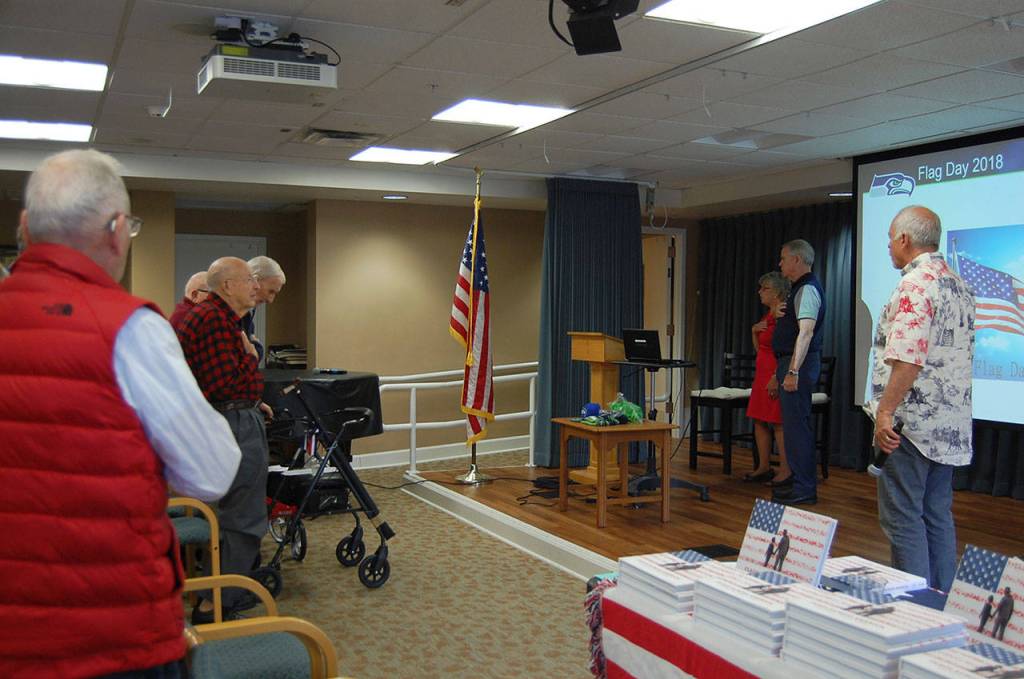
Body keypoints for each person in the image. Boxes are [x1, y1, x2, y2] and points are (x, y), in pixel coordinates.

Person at [0, 149, 241, 678]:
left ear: (24, 227)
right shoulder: (128, 328)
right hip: (111, 635)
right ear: (115, 229)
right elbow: (212, 472)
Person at [870, 205, 974, 593]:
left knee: (903, 518)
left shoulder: (915, 285)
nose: (888, 246)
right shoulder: (959, 284)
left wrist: (885, 413)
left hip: (909, 426)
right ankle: (943, 598)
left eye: (889, 238)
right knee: (937, 515)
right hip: (948, 426)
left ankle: (913, 606)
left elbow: (908, 358)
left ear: (904, 239)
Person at [176, 256, 269, 624]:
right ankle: (221, 602)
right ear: (228, 286)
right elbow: (222, 386)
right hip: (230, 423)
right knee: (242, 515)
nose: (255, 287)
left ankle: (217, 594)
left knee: (229, 514)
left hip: (224, 421)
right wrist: (251, 356)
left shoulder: (216, 318)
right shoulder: (214, 320)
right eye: (248, 280)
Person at [772, 239, 826, 506]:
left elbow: (805, 332)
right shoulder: (797, 290)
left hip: (799, 366)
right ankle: (797, 481)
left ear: (797, 259)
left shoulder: (807, 290)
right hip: (789, 364)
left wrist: (792, 370)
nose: (780, 263)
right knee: (792, 427)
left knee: (797, 428)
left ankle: (805, 486)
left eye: (783, 258)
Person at [744, 272, 792, 484]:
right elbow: (762, 348)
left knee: (778, 421)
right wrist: (754, 332)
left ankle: (785, 469)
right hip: (762, 371)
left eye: (765, 288)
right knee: (760, 419)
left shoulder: (783, 312)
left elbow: (785, 348)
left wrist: (776, 376)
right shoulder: (767, 315)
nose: (760, 292)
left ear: (777, 292)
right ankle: (763, 466)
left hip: (775, 371)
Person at [241, 255, 286, 363]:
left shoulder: (246, 316)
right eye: (271, 291)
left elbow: (255, 354)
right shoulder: (223, 315)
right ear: (254, 280)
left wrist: (254, 348)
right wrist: (253, 348)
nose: (270, 300)